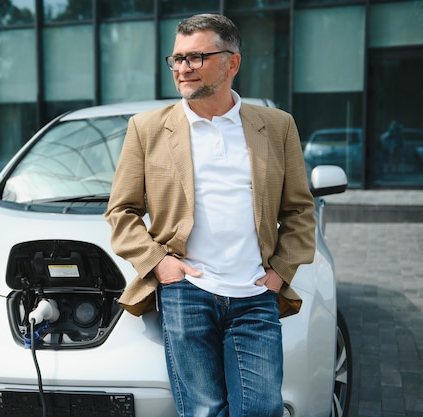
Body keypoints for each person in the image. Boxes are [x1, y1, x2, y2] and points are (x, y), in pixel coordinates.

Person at [105, 13, 316, 417]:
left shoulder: (276, 126)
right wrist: (159, 263)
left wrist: (281, 271)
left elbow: (299, 210)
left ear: (231, 62)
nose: (183, 68)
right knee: (203, 411)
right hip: (188, 292)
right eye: (177, 58)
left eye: (196, 57)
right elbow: (122, 210)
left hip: (256, 295)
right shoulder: (147, 128)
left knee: (260, 410)